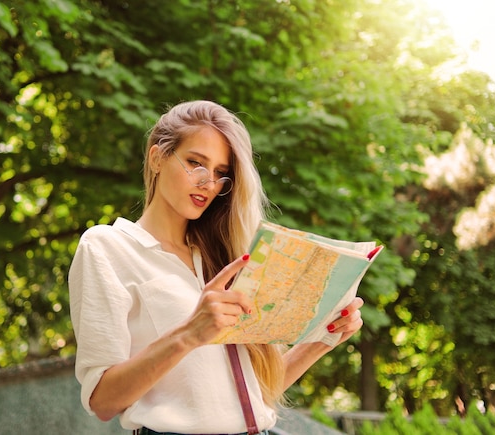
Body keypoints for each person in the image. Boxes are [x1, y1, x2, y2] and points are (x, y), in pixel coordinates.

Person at [68, 100, 365, 434]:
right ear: (157, 158)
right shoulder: (109, 247)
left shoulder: (221, 255)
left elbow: (256, 394)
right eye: (196, 163)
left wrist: (323, 338)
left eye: (221, 173)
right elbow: (103, 401)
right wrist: (191, 333)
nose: (208, 183)